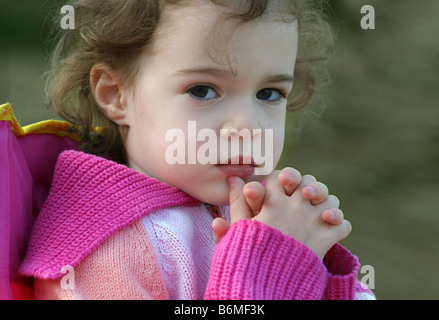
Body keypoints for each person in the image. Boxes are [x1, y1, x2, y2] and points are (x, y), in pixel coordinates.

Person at [18, 0, 375, 300]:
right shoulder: (98, 248)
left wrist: (319, 266)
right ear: (115, 94)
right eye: (203, 90)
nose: (248, 127)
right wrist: (264, 265)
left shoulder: (264, 210)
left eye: (269, 93)